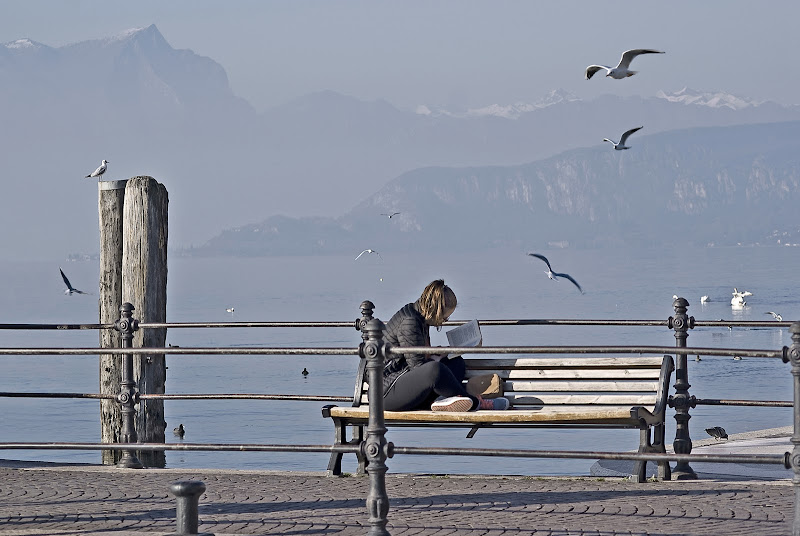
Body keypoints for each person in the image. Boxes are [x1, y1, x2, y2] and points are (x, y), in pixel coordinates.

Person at [382, 279, 510, 412]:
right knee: (435, 369)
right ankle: (476, 403)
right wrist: (434, 359)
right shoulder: (410, 322)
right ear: (436, 310)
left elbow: (415, 355)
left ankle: (443, 400)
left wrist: (441, 353)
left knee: (456, 362)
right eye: (444, 318)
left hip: (405, 382)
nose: (444, 321)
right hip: (387, 391)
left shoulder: (420, 316)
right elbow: (417, 367)